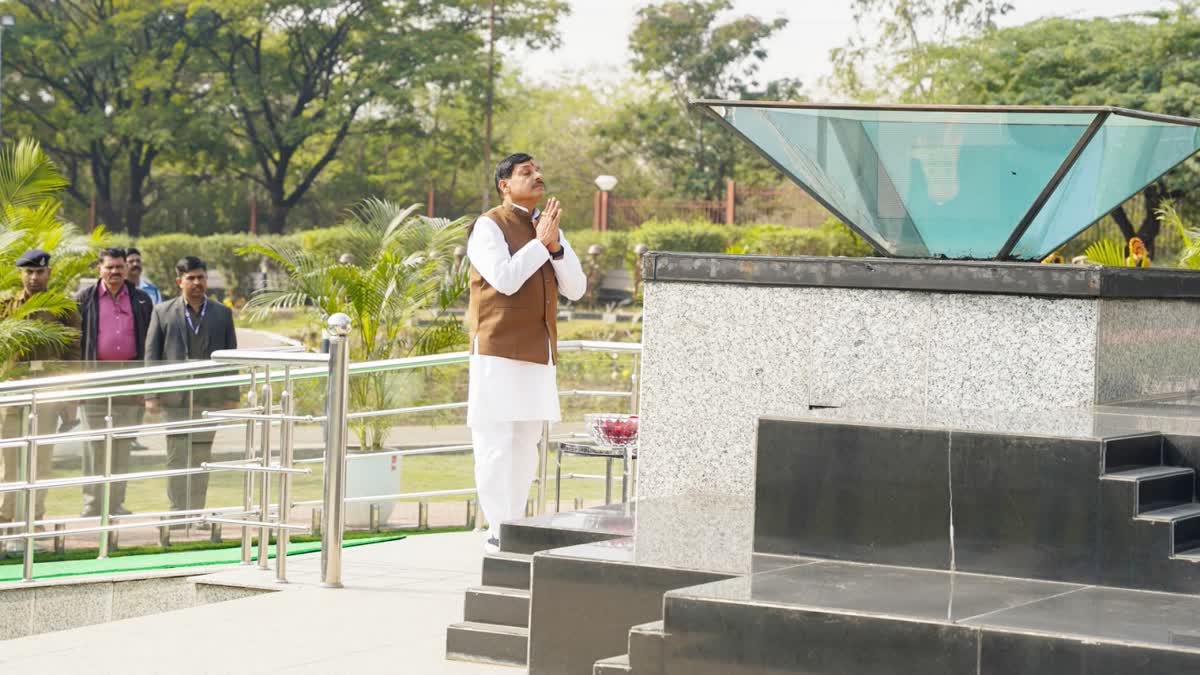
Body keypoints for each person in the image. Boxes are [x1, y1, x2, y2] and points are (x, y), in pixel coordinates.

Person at [466, 153, 586, 553]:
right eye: (526, 173)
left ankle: (514, 522)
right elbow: (505, 280)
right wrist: (540, 244)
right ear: (505, 184)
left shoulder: (549, 228)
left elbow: (577, 288)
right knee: (496, 443)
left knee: (525, 442)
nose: (538, 176)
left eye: (537, 171)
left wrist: (555, 248)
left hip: (538, 353)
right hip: (498, 352)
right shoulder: (488, 226)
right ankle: (497, 527)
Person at [144, 256, 238, 516]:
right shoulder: (162, 312)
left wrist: (232, 395)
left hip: (209, 401)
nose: (197, 283)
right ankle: (177, 512)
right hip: (175, 401)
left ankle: (196, 512)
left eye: (201, 277)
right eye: (191, 278)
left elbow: (232, 356)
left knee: (201, 458)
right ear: (179, 282)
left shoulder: (222, 313)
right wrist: (151, 394)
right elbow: (152, 356)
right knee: (176, 457)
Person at [0, 249, 82, 537]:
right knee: (9, 464)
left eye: (39, 272)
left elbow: (73, 355)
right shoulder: (7, 306)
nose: (34, 278)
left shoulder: (64, 308)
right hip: (12, 396)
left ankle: (34, 521)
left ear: (49, 273)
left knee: (40, 462)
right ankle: (6, 522)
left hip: (47, 396)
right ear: (21, 273)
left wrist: (70, 397)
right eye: (29, 272)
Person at [76, 247, 154, 518]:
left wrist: (146, 384)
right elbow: (76, 344)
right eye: (109, 267)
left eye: (119, 267)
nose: (115, 272)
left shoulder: (142, 300)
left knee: (122, 444)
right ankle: (92, 503)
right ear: (99, 268)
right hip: (95, 378)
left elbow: (149, 344)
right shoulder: (83, 300)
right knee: (94, 444)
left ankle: (115, 502)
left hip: (129, 379)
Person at [124, 247, 159, 452]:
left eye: (138, 260)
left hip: (147, 348)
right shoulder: (125, 292)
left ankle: (133, 436)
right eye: (131, 261)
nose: (135, 264)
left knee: (139, 398)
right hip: (130, 348)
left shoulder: (151, 290)